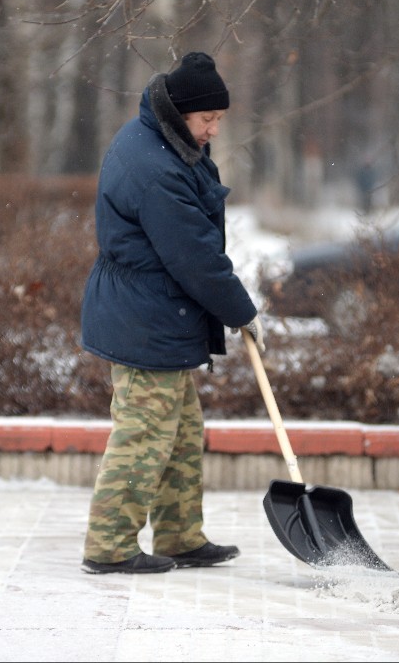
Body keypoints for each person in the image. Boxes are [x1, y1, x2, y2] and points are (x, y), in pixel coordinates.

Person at [79, 52, 266, 575]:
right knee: (143, 436)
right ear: (180, 112)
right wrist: (241, 311)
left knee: (180, 433)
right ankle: (110, 546)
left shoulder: (159, 141)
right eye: (207, 120)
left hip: (156, 313)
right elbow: (194, 257)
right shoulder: (156, 168)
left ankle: (181, 536)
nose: (213, 130)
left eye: (219, 121)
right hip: (145, 319)